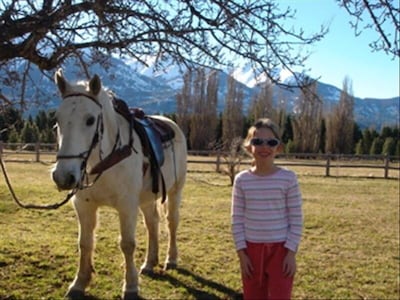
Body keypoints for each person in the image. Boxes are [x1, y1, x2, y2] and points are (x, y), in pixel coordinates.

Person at [231, 118, 303, 300]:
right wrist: (242, 254)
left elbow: (296, 219)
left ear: (278, 147)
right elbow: (236, 220)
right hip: (251, 250)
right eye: (257, 141)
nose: (264, 147)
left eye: (271, 142)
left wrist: (291, 253)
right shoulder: (241, 180)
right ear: (249, 147)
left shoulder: (288, 178)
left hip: (281, 250)